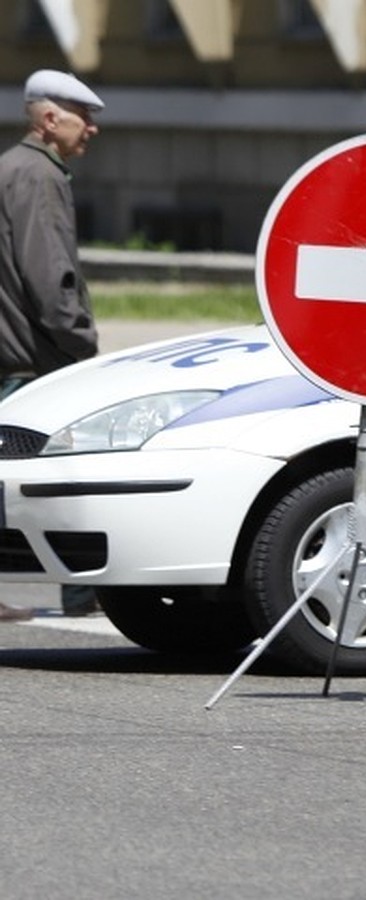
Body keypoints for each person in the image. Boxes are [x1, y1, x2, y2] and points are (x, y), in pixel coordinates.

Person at [0, 69, 105, 619]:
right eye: (83, 117)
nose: (91, 128)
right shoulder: (39, 176)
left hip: (12, 352)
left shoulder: (9, 168)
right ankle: (84, 593)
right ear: (48, 119)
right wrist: (82, 342)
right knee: (69, 475)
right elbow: (49, 278)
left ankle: (82, 593)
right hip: (36, 359)